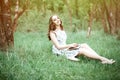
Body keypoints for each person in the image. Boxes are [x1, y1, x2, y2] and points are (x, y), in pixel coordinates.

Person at [47, 15, 115, 64]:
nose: (57, 20)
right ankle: (103, 59)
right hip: (60, 51)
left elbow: (63, 42)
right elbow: (58, 47)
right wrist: (70, 45)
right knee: (82, 50)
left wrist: (71, 46)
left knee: (85, 45)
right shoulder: (52, 32)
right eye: (55, 19)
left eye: (58, 18)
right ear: (52, 22)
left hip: (65, 47)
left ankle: (100, 58)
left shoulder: (61, 29)